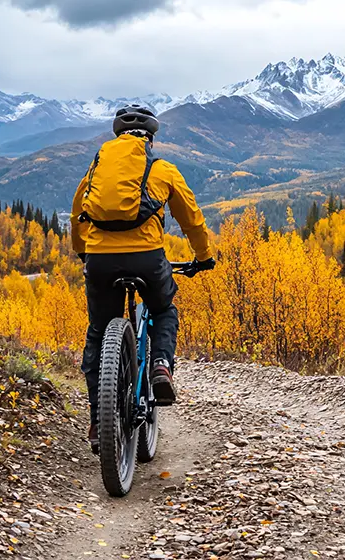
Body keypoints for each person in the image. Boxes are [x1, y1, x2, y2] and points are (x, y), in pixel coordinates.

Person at [71, 104, 216, 453]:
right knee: (164, 309)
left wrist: (83, 252)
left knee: (97, 330)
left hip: (101, 260)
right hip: (148, 259)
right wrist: (203, 257)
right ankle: (161, 367)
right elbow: (191, 217)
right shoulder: (162, 169)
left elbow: (78, 213)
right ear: (150, 139)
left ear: (117, 137)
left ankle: (96, 419)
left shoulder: (97, 169)